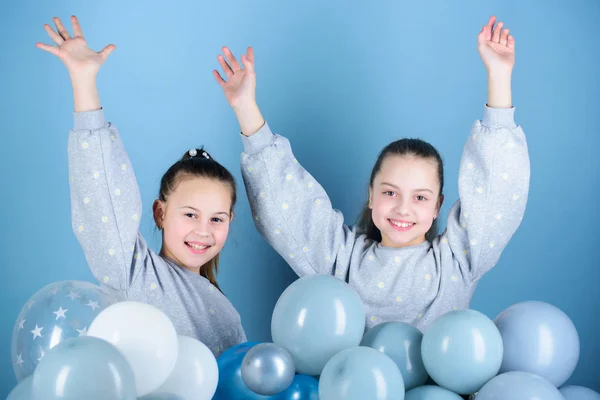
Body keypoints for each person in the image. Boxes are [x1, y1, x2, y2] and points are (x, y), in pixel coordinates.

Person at [214, 16, 529, 331]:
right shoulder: (343, 260)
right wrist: (245, 108)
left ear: (437, 207)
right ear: (371, 195)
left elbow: (496, 194)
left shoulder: (457, 261)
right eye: (390, 192)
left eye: (420, 197)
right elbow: (285, 211)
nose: (403, 208)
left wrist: (499, 76)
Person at [36, 15, 246, 356]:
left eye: (217, 218)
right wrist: (84, 81)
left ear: (230, 222)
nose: (203, 231)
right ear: (160, 213)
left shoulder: (226, 313)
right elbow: (104, 202)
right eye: (190, 214)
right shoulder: (135, 273)